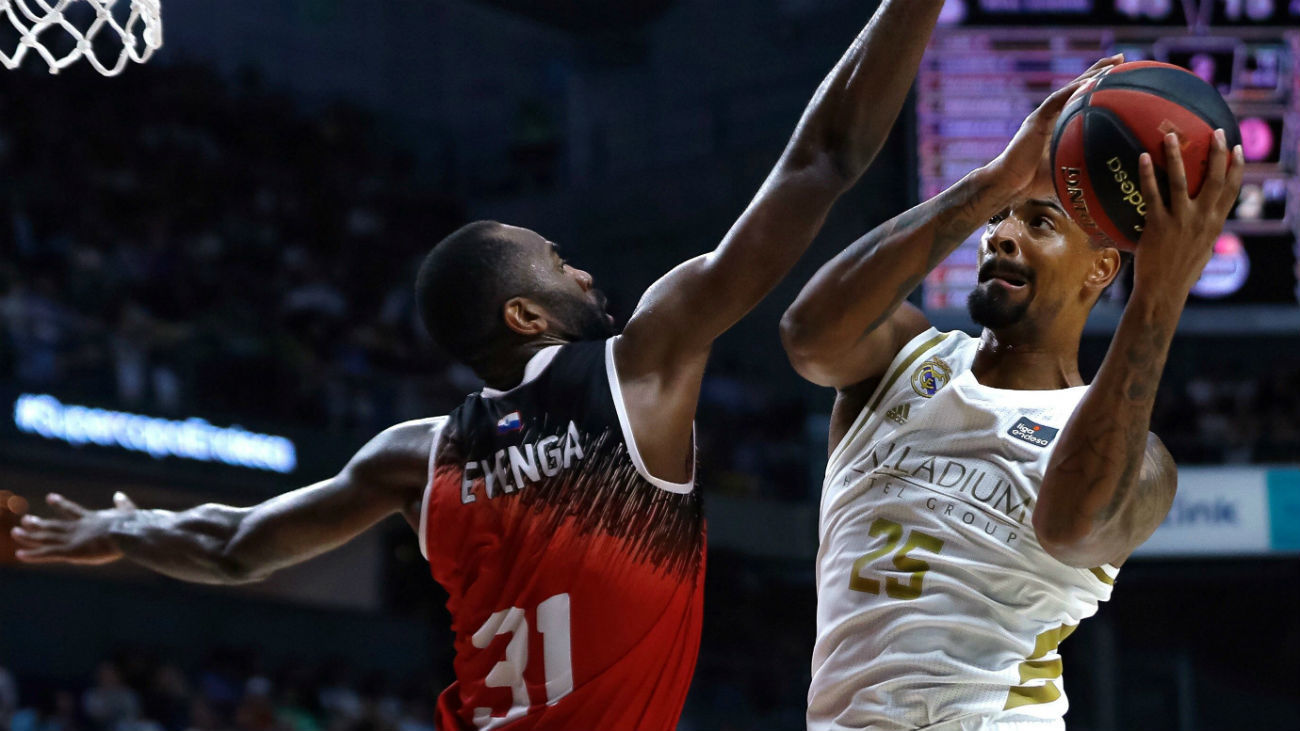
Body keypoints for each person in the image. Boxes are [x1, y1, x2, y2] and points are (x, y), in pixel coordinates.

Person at [9, 2, 947, 729]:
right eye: (555, 259)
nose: (582, 265)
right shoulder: (636, 368)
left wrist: (123, 528)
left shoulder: (416, 458)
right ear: (525, 310)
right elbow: (822, 158)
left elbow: (234, 543)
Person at [780, 57, 1244, 730]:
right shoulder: (902, 356)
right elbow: (806, 335)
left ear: (1103, 266)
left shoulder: (1136, 458)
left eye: (1039, 222)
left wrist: (1162, 292)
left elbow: (1071, 523)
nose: (999, 233)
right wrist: (992, 179)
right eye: (1000, 218)